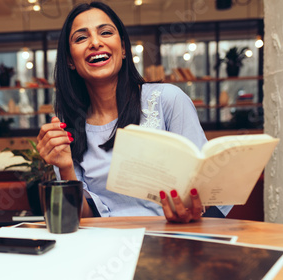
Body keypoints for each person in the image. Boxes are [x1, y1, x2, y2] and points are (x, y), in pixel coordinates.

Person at [36, 1, 231, 223]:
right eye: (81, 38)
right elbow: (84, 218)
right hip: (106, 245)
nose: (95, 42)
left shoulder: (167, 99)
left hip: (173, 241)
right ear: (70, 60)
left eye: (106, 32)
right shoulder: (68, 127)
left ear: (124, 49)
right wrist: (65, 168)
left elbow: (208, 190)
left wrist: (190, 215)